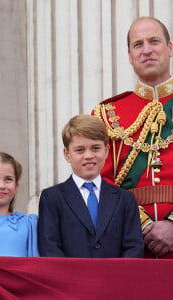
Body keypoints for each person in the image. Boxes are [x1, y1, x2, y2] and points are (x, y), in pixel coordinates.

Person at [93, 16, 173, 258]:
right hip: (130, 243)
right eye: (138, 44)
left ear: (170, 49)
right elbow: (97, 181)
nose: (146, 50)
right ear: (129, 55)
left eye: (154, 41)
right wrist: (142, 225)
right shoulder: (106, 114)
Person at [38, 115, 143, 258]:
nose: (88, 155)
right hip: (70, 279)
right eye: (80, 150)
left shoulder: (125, 199)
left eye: (95, 148)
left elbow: (134, 246)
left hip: (115, 278)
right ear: (67, 154)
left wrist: (117, 278)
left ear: (106, 151)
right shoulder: (52, 198)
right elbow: (50, 247)